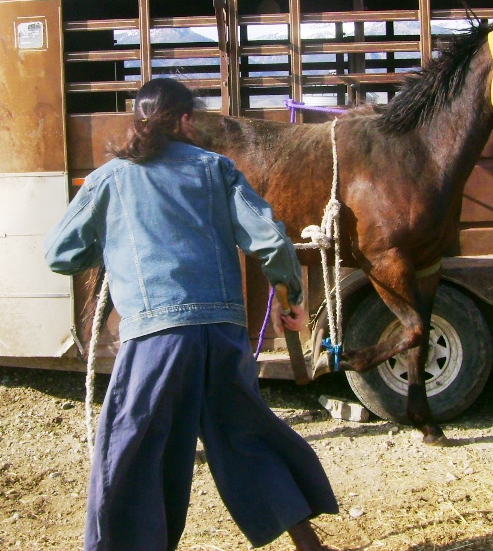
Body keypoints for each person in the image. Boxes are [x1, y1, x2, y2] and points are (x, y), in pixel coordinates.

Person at [45, 78, 339, 551]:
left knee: (134, 449)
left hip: (156, 338)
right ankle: (309, 545)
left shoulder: (109, 179)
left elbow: (60, 254)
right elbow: (269, 240)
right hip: (223, 334)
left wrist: (114, 241)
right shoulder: (216, 168)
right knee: (245, 434)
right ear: (184, 120)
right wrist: (292, 300)